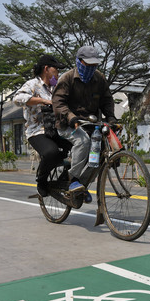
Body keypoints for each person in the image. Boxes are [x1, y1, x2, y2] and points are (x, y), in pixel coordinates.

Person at [53, 46, 118, 196]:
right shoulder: (67, 78)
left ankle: (82, 185)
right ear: (79, 61)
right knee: (83, 141)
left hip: (91, 124)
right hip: (68, 124)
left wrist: (111, 118)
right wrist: (71, 117)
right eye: (87, 64)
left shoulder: (99, 78)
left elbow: (107, 100)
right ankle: (73, 179)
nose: (90, 68)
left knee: (102, 152)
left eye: (93, 65)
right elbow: (58, 103)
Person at [13, 54, 70, 197]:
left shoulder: (56, 87)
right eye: (56, 69)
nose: (58, 73)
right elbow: (17, 99)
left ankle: (66, 177)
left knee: (80, 146)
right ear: (46, 69)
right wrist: (42, 100)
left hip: (57, 130)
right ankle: (41, 179)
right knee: (52, 153)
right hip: (37, 132)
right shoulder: (33, 84)